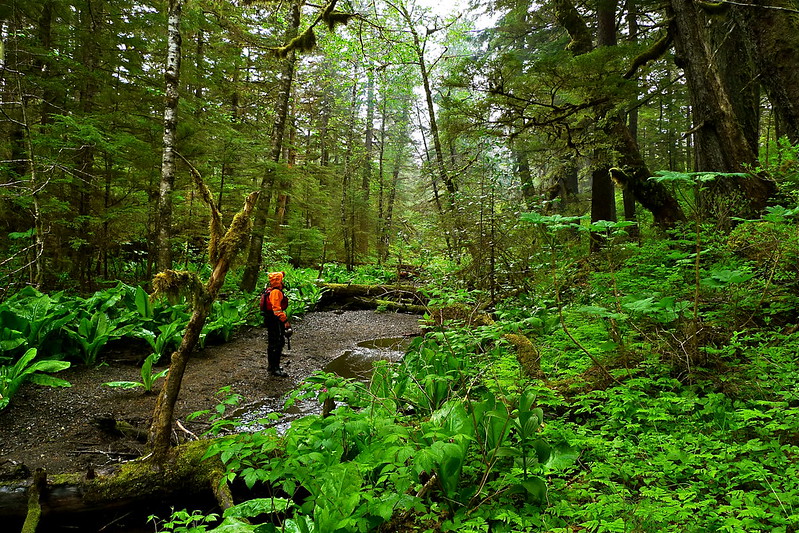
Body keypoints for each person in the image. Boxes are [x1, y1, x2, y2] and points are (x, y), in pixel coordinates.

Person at [261, 271, 292, 377]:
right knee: (277, 343)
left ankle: (272, 366)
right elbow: (277, 310)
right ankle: (275, 368)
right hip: (274, 320)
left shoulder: (271, 291)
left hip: (270, 318)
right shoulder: (275, 292)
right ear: (278, 282)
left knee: (273, 342)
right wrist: (285, 321)